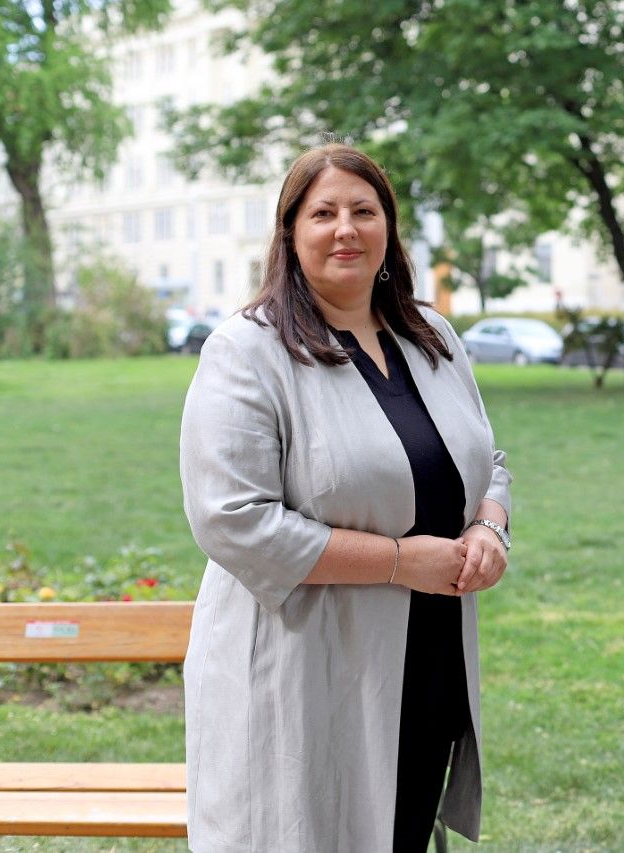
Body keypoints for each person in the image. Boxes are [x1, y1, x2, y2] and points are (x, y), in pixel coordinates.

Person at [180, 142, 512, 852]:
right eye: (323, 212)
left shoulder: (433, 338)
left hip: (424, 660)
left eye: (364, 211)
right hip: (305, 669)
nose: (345, 228)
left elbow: (487, 459)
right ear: (290, 232)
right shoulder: (247, 350)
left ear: (389, 231)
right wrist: (397, 560)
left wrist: (490, 527)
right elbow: (232, 519)